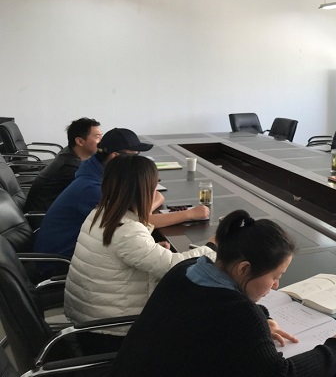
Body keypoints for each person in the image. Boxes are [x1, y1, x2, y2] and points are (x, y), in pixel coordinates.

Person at [112, 210, 336, 376]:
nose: (276, 286)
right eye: (275, 276)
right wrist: (335, 350)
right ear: (244, 269)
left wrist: (264, 319)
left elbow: (216, 310)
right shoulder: (240, 314)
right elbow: (281, 373)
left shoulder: (186, 269)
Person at [63, 154, 217, 353]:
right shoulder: (127, 230)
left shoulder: (99, 213)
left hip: (89, 321)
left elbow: (123, 253)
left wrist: (152, 250)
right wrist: (212, 248)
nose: (155, 191)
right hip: (113, 333)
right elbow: (174, 267)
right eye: (153, 187)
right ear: (141, 191)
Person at [33, 127, 209, 260]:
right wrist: (189, 214)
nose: (139, 161)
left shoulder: (95, 171)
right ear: (115, 157)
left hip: (81, 251)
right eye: (135, 156)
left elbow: (147, 207)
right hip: (61, 261)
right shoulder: (93, 190)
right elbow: (138, 222)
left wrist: (145, 208)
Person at [24, 117, 102, 212]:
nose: (102, 141)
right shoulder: (69, 167)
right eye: (97, 137)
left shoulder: (70, 152)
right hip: (43, 216)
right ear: (80, 141)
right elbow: (93, 194)